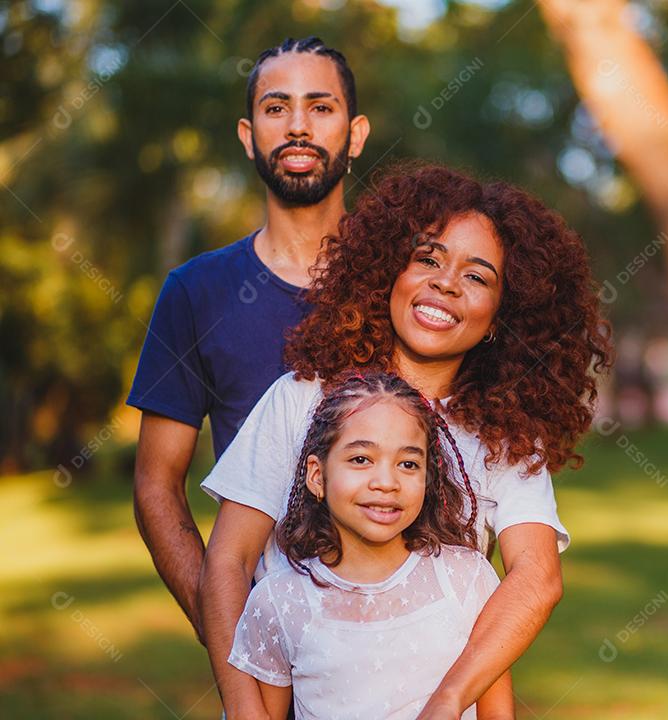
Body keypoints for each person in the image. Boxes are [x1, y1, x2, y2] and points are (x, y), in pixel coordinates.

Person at [199, 163, 613, 719]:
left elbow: (536, 578)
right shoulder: (303, 397)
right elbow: (228, 561)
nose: (445, 283)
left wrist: (446, 703)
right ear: (389, 273)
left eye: (477, 276)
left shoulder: (506, 436)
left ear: (498, 318)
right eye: (429, 259)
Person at [127, 36, 369, 643]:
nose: (297, 126)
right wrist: (233, 634)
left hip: (406, 658)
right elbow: (157, 485)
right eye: (275, 107)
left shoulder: (407, 285)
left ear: (356, 133)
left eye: (321, 106)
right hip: (273, 653)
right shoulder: (195, 292)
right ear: (248, 134)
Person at [229, 371, 514, 719]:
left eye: (408, 464)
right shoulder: (279, 601)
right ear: (317, 476)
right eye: (361, 459)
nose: (386, 482)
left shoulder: (466, 579)